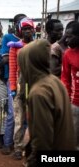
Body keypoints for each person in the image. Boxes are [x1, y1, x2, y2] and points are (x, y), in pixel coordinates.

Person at [18, 39, 76, 166]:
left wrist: (35, 159)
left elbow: (42, 138)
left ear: (29, 64)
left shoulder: (39, 92)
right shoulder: (54, 81)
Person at [0, 13, 26, 155]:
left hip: (27, 81)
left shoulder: (29, 39)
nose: (26, 27)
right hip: (12, 78)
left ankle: (19, 143)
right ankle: (7, 143)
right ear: (16, 25)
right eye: (22, 23)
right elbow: (4, 59)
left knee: (24, 114)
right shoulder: (8, 39)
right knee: (12, 113)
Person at [9, 17, 34, 160]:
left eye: (29, 28)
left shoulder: (38, 46)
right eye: (24, 29)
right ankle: (18, 147)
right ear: (20, 30)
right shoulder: (15, 47)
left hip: (34, 85)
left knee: (33, 119)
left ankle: (31, 146)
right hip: (19, 85)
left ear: (33, 29)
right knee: (19, 119)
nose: (27, 31)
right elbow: (12, 69)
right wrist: (13, 87)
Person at [61, 22, 79, 150]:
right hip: (75, 103)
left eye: (70, 36)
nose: (66, 40)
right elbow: (65, 78)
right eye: (65, 36)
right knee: (73, 140)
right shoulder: (68, 54)